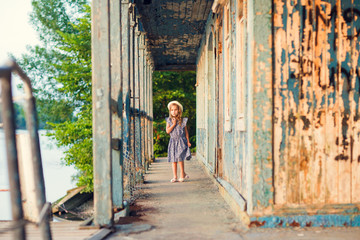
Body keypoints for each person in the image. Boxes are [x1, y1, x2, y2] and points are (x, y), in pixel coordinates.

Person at [166, 100, 191, 183]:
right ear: (170, 111)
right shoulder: (169, 120)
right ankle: (175, 176)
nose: (174, 111)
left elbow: (186, 132)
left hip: (181, 141)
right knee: (174, 160)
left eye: (175, 109)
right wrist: (173, 124)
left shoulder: (182, 120)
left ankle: (182, 175)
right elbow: (168, 131)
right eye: (172, 110)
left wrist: (188, 141)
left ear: (179, 110)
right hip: (173, 141)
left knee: (180, 158)